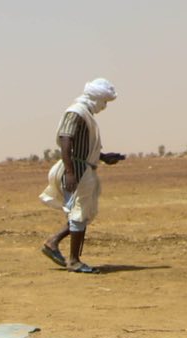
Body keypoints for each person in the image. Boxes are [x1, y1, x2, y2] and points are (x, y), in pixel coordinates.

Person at [40, 79, 123, 274]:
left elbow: (80, 144)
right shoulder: (77, 112)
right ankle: (74, 261)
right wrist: (70, 172)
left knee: (82, 213)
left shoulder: (86, 114)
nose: (104, 106)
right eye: (104, 101)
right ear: (96, 98)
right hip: (76, 169)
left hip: (82, 168)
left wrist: (102, 157)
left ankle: (53, 243)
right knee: (79, 213)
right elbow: (66, 140)